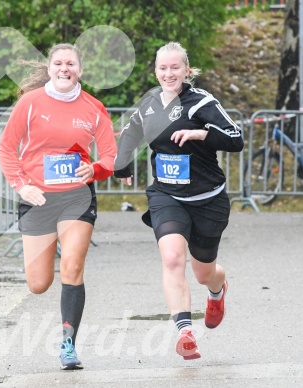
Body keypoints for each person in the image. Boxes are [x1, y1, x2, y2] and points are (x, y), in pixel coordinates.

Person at [114, 41, 243, 360]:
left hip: (207, 199)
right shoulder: (150, 103)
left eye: (175, 67)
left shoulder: (202, 103)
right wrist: (123, 164)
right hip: (167, 196)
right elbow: (131, 132)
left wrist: (203, 135)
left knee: (204, 272)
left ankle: (217, 290)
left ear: (187, 70)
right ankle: (185, 332)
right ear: (155, 71)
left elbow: (235, 139)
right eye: (162, 68)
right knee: (172, 258)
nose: (168, 73)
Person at [0, 43, 117, 370]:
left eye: (71, 64)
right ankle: (51, 252)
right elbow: (7, 148)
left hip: (77, 197)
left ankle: (68, 344)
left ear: (80, 69)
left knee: (72, 268)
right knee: (38, 284)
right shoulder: (30, 103)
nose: (65, 68)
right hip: (38, 198)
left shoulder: (94, 107)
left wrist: (95, 169)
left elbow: (109, 156)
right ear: (49, 68)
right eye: (59, 63)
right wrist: (22, 185)